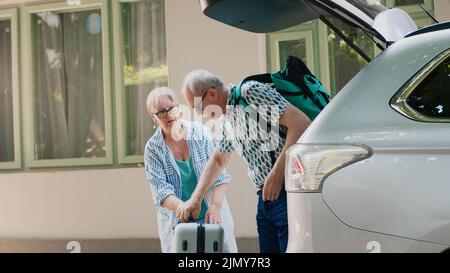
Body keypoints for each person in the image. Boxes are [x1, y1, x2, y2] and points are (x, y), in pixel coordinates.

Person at [179, 69, 311, 253]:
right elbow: (218, 160)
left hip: (286, 192)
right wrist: (196, 198)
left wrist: (277, 174)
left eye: (198, 107)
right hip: (265, 199)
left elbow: (300, 123)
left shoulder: (251, 93)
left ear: (212, 93)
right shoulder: (227, 119)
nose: (200, 114)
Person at [144, 87, 237, 253]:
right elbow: (161, 192)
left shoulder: (200, 132)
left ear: (178, 108)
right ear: (153, 117)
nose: (168, 114)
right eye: (161, 112)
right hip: (179, 223)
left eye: (171, 108)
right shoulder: (152, 149)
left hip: (212, 215)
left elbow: (221, 175)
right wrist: (185, 207)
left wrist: (215, 206)